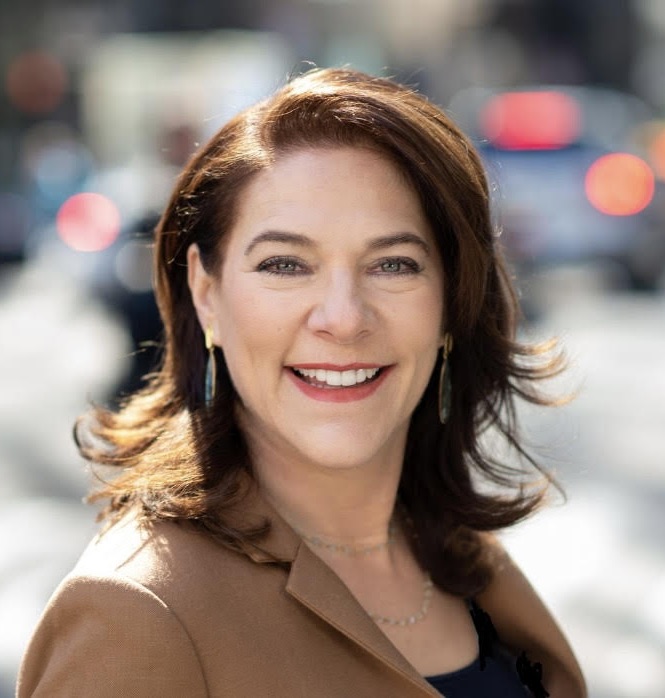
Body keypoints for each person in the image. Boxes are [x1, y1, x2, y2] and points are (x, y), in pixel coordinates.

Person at [17, 67, 587, 697]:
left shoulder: (464, 560)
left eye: (394, 263)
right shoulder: (138, 612)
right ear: (207, 294)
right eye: (285, 264)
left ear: (453, 298)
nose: (343, 318)